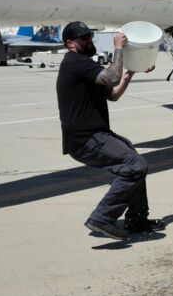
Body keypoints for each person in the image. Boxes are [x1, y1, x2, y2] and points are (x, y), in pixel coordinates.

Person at [56, 21, 163, 241]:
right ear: (70, 44)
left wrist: (131, 72)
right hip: (86, 139)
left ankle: (137, 219)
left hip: (95, 136)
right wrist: (118, 48)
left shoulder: (84, 65)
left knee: (132, 156)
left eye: (89, 36)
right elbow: (112, 77)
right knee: (135, 165)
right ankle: (102, 218)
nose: (89, 40)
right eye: (83, 38)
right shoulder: (75, 62)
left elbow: (112, 94)